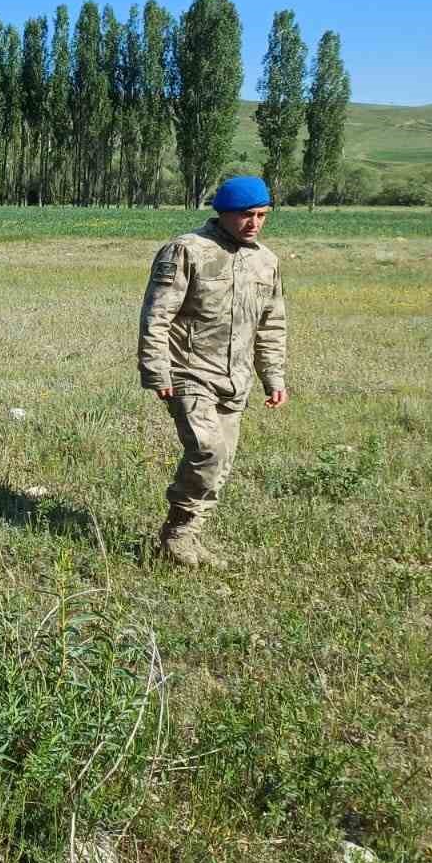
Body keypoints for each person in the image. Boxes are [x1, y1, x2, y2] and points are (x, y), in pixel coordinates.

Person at [139, 175, 287, 568]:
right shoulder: (187, 251)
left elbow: (271, 324)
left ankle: (188, 534)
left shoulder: (266, 262)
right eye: (245, 215)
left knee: (221, 464)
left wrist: (273, 376)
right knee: (208, 451)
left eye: (261, 215)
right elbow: (157, 316)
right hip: (188, 370)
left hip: (236, 380)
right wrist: (157, 371)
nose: (253, 223)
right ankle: (176, 536)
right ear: (223, 213)